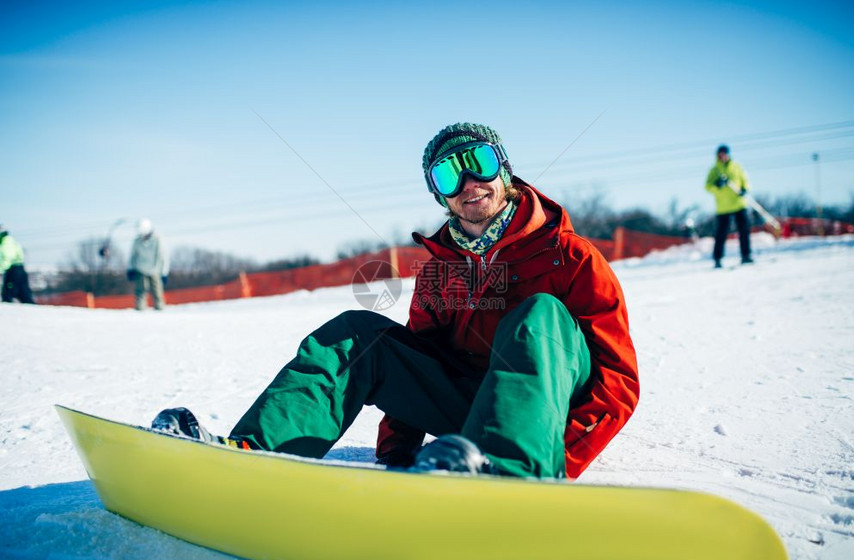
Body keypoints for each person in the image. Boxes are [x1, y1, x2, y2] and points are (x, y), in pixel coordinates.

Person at [152, 122, 640, 480]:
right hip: (469, 410)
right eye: (450, 175)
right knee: (358, 332)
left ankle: (513, 473)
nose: (470, 183)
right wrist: (398, 456)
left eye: (481, 163)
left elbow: (618, 382)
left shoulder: (568, 256)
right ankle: (254, 455)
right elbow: (418, 360)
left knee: (538, 317)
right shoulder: (439, 273)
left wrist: (560, 454)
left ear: (504, 171)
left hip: (543, 420)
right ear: (439, 195)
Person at [705, 144, 753, 268]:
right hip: (723, 206)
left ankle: (746, 255)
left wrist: (744, 189)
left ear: (728, 154)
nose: (722, 156)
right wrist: (717, 185)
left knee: (744, 230)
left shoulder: (737, 167)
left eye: (724, 154)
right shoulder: (714, 170)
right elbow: (707, 187)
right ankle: (717, 259)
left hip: (738, 203)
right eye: (720, 154)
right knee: (721, 233)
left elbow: (745, 180)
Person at [127, 218, 169, 311]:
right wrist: (130, 269)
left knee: (157, 292)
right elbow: (132, 256)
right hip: (140, 270)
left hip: (155, 270)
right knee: (140, 292)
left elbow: (162, 256)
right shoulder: (137, 241)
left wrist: (164, 273)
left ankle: (160, 310)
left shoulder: (158, 240)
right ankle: (140, 311)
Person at [0, 225, 36, 304]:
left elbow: (8, 256)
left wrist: (1, 270)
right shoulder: (8, 241)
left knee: (8, 292)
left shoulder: (7, 242)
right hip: (18, 269)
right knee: (23, 292)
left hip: (13, 270)